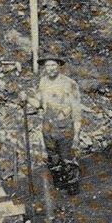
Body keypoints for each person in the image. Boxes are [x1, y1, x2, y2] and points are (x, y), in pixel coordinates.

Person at [30, 55, 83, 196]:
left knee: (68, 160)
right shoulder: (43, 82)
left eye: (53, 65)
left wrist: (77, 135)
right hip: (48, 127)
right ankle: (59, 187)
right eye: (48, 66)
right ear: (44, 68)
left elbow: (77, 110)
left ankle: (73, 192)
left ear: (59, 66)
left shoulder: (69, 83)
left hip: (65, 127)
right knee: (53, 158)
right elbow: (39, 103)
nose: (51, 68)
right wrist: (26, 99)